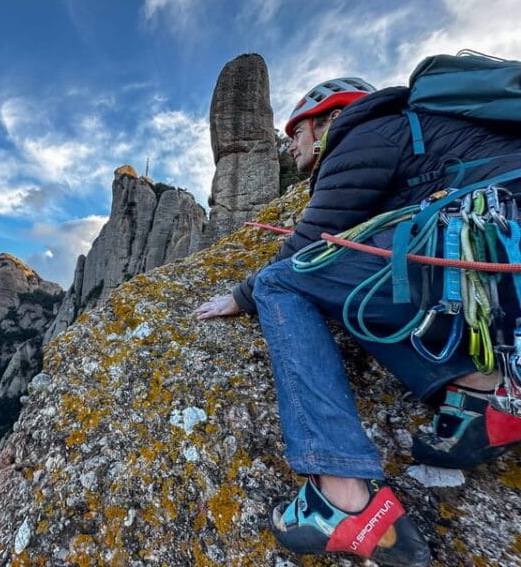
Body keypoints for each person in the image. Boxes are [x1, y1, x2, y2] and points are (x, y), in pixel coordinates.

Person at [196, 76, 521, 566]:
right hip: (498, 254)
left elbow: (310, 245)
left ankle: (342, 494)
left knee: (279, 283)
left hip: (493, 250)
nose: (290, 146)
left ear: (328, 118)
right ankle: (483, 394)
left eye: (296, 132)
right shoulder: (413, 133)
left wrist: (242, 294)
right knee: (347, 286)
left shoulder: (364, 132)